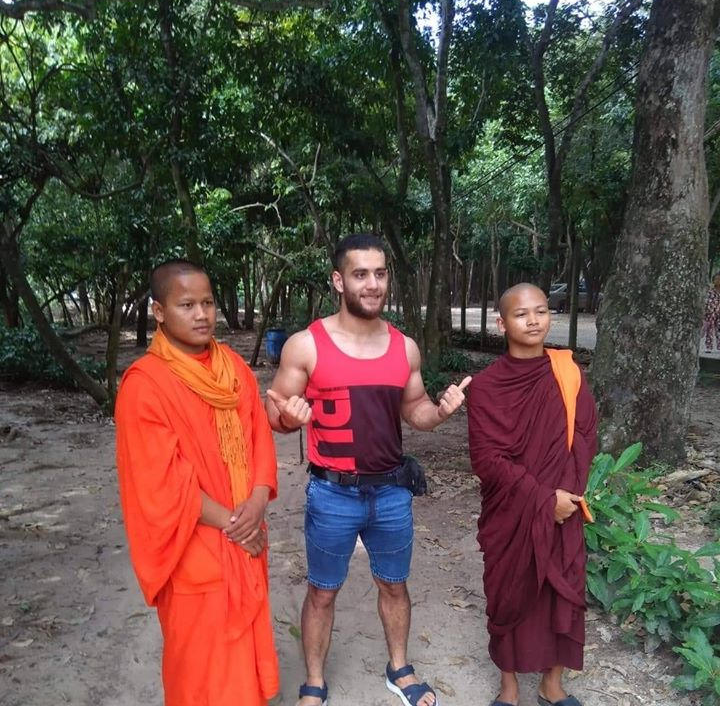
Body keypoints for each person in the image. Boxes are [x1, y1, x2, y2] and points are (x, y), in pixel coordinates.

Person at [265, 233, 470, 706]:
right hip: (331, 494)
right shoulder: (306, 345)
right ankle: (314, 681)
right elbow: (275, 412)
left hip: (391, 492)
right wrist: (289, 417)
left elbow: (414, 409)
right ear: (339, 281)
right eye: (360, 274)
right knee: (322, 591)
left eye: (379, 273)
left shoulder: (404, 347)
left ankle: (399, 669)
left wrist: (440, 412)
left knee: (394, 585)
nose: (372, 284)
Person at [115, 259, 279, 706]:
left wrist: (257, 502)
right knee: (199, 663)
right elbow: (162, 482)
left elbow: (259, 439)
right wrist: (235, 525)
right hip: (195, 540)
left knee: (242, 656)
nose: (202, 314)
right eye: (186, 305)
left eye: (207, 302)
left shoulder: (234, 368)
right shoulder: (144, 386)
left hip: (245, 529)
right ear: (159, 311)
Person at [466, 283, 597, 706]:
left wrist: (567, 496)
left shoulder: (567, 373)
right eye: (521, 314)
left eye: (541, 311)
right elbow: (487, 459)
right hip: (512, 510)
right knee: (508, 591)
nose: (534, 320)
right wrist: (543, 499)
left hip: (564, 503)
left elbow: (584, 435)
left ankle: (551, 685)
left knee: (563, 590)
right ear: (501, 323)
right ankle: (509, 688)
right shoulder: (486, 386)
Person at [703, 272, 720, 352]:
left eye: (719, 279)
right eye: (716, 279)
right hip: (710, 312)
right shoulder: (710, 290)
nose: (717, 281)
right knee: (709, 329)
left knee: (719, 330)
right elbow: (707, 301)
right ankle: (708, 347)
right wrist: (706, 311)